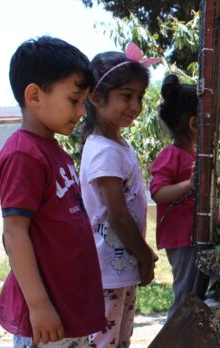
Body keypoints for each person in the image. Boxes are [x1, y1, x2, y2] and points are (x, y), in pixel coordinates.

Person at [0, 36, 106, 347]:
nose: (82, 111)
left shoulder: (57, 152)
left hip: (68, 310)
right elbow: (15, 234)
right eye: (74, 99)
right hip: (45, 319)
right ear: (34, 95)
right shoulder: (24, 155)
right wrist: (39, 306)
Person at [78, 43, 158, 347]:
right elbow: (118, 215)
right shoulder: (103, 151)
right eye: (126, 96)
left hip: (118, 267)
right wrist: (144, 257)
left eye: (139, 97)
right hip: (106, 270)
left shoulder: (117, 145)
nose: (135, 105)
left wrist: (141, 255)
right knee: (104, 341)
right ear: (96, 97)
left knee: (120, 338)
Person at [150, 74, 220, 319]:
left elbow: (202, 188)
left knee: (206, 291)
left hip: (202, 235)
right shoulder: (171, 155)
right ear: (195, 124)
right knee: (186, 296)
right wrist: (189, 183)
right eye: (210, 120)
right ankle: (175, 338)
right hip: (184, 240)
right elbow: (158, 192)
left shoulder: (195, 155)